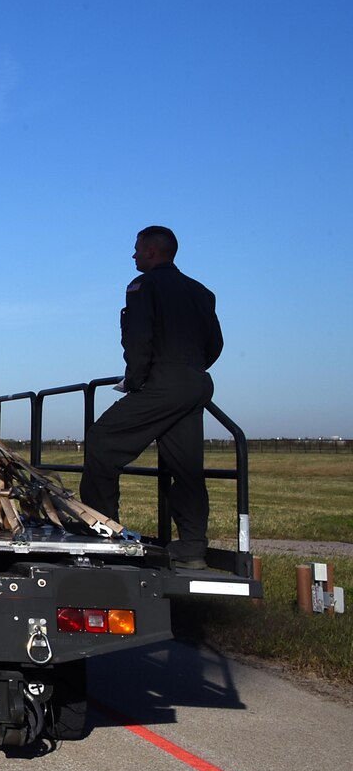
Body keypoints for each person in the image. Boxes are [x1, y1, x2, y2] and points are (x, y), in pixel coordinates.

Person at [79, 226, 224, 571]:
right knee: (186, 468)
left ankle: (104, 535)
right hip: (196, 382)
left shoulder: (143, 287)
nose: (133, 255)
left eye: (137, 249)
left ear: (152, 252)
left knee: (102, 441)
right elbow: (215, 344)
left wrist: (135, 380)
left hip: (164, 381)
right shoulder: (201, 291)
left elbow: (139, 339)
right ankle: (192, 548)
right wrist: (189, 370)